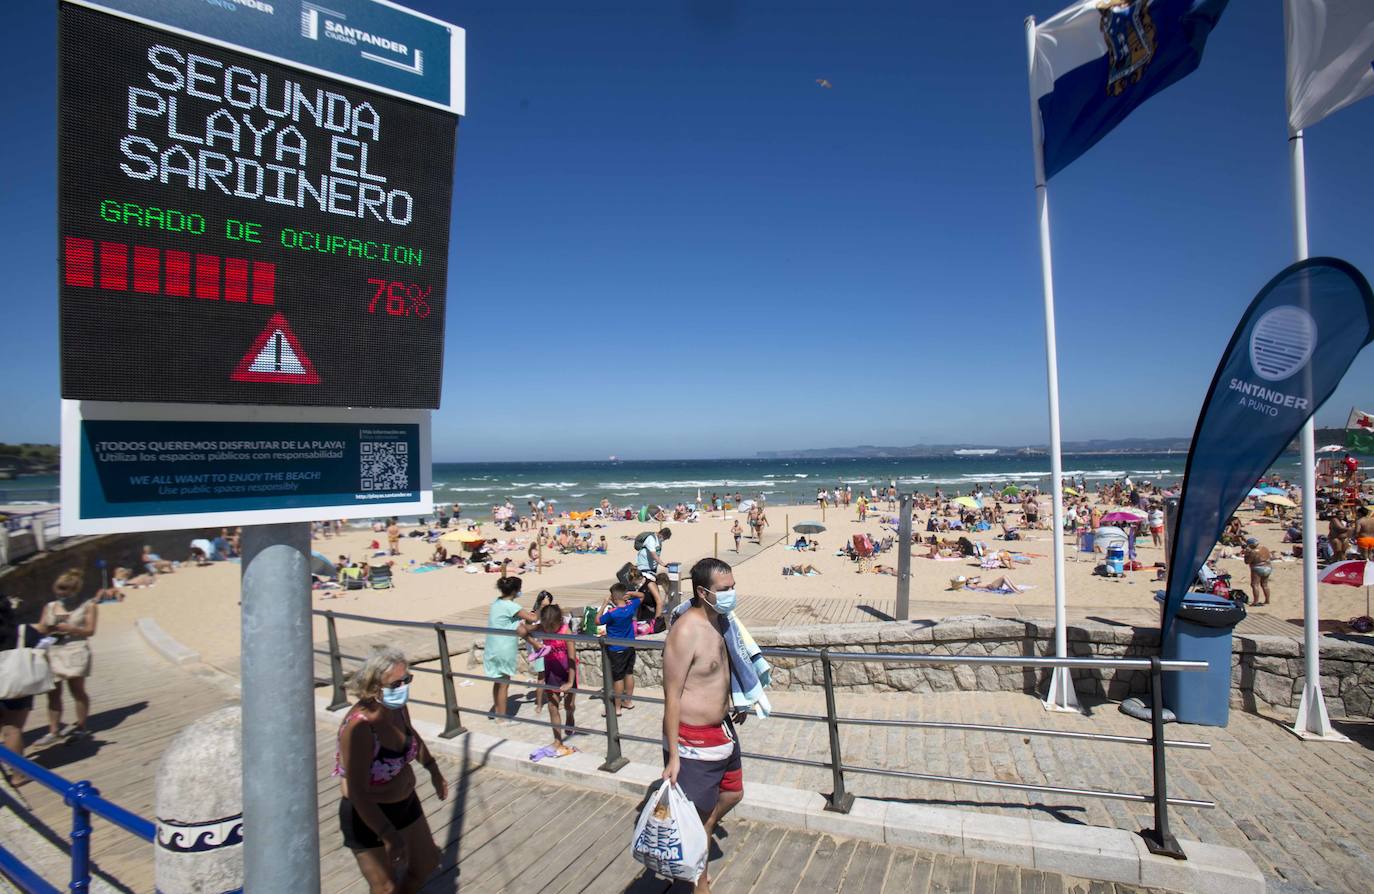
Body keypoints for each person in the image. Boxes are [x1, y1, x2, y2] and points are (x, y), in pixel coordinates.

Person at [662, 558, 744, 894]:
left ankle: (704, 828)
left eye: (733, 587)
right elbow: (672, 696)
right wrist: (673, 755)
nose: (732, 594)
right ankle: (699, 882)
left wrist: (736, 701)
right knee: (698, 816)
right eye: (724, 590)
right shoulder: (685, 631)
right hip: (693, 737)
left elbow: (722, 671)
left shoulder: (722, 622)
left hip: (723, 728)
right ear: (702, 591)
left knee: (733, 793)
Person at [334, 647, 446, 893]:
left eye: (407, 680)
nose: (404, 687)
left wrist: (433, 769)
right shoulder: (361, 728)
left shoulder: (397, 708)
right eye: (396, 683)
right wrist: (388, 834)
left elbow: (410, 736)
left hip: (405, 804)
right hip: (368, 816)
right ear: (374, 687)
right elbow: (357, 792)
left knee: (427, 863)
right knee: (385, 887)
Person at [33, 569, 97, 745]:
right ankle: (53, 730)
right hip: (54, 650)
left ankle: (82, 727)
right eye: (59, 589)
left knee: (77, 690)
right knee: (53, 693)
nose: (61, 592)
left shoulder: (88, 605)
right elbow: (42, 628)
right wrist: (47, 627)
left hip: (76, 649)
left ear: (75, 589)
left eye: (65, 589)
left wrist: (71, 629)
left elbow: (90, 630)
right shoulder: (50, 606)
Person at [484, 576, 541, 720]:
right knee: (504, 683)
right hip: (504, 647)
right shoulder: (511, 606)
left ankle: (497, 711)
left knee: (498, 681)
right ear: (515, 590)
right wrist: (542, 606)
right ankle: (501, 717)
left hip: (492, 646)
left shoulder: (496, 603)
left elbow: (518, 622)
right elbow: (533, 619)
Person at [0, 596, 43, 786]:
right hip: (17, 686)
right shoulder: (23, 631)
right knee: (12, 730)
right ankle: (18, 775)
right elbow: (40, 644)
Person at [537, 604, 578, 756]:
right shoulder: (542, 628)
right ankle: (557, 740)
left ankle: (570, 714)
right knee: (553, 706)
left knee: (569, 703)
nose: (548, 631)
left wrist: (570, 682)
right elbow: (521, 630)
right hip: (551, 672)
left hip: (568, 671)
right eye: (546, 627)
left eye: (551, 627)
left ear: (559, 622)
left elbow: (572, 659)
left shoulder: (566, 631)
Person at [599, 583, 643, 715]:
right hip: (629, 646)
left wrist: (604, 605)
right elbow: (642, 596)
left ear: (612, 597)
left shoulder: (612, 613)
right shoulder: (630, 607)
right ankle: (628, 701)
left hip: (616, 649)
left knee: (618, 678)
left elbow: (597, 620)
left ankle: (617, 708)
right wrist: (631, 594)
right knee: (629, 674)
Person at [635, 527, 672, 614]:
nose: (663, 540)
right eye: (664, 538)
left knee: (651, 588)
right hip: (644, 566)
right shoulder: (651, 539)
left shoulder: (658, 540)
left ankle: (651, 606)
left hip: (652, 568)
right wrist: (663, 564)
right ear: (661, 534)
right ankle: (643, 608)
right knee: (646, 586)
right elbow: (653, 554)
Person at [1244, 537, 1273, 607]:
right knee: (1265, 584)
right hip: (1268, 567)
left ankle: (1255, 601)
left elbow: (1247, 561)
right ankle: (1267, 600)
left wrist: (1246, 554)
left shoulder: (1253, 551)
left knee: (1254, 585)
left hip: (1258, 568)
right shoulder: (1265, 548)